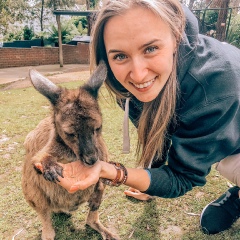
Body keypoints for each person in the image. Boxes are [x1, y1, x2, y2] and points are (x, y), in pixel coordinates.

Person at [35, 0, 240, 235]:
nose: (138, 74)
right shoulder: (125, 82)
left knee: (223, 161)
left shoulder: (214, 84)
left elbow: (183, 177)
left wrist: (120, 173)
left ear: (175, 36)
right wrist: (149, 181)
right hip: (216, 132)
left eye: (150, 48)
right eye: (120, 55)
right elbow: (159, 134)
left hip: (233, 131)